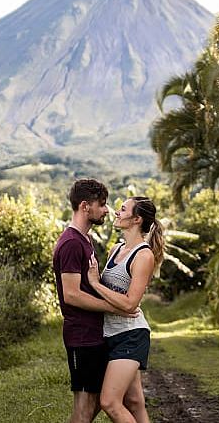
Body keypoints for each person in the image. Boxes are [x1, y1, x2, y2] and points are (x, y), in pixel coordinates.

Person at [53, 179, 139, 423]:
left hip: (95, 333)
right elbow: (71, 295)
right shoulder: (71, 243)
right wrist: (115, 307)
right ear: (84, 206)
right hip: (82, 335)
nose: (106, 210)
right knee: (85, 404)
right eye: (102, 205)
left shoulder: (85, 240)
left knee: (101, 400)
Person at [87, 196, 164, 423]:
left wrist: (95, 284)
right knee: (135, 403)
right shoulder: (115, 249)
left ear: (136, 219)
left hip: (130, 336)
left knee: (109, 402)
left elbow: (130, 303)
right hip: (109, 334)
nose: (116, 213)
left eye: (122, 210)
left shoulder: (144, 255)